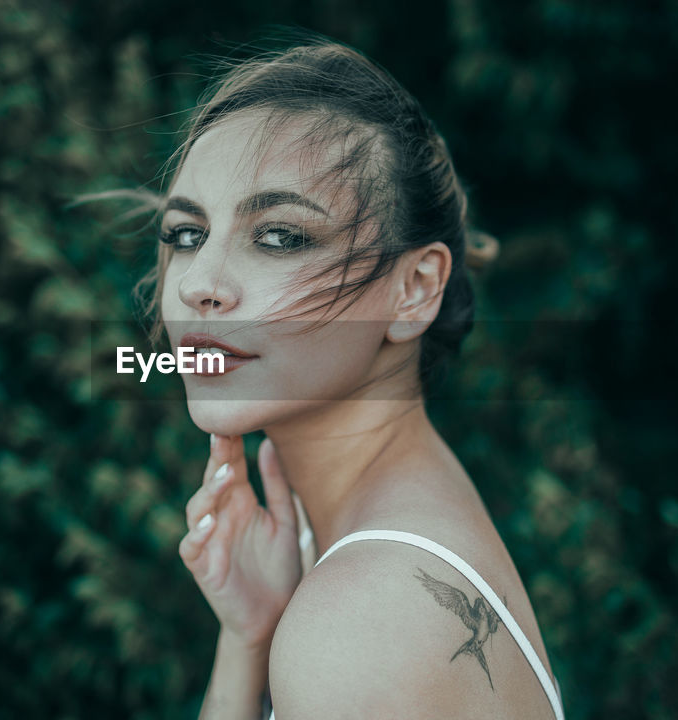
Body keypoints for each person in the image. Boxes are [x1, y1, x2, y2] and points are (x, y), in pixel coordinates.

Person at [136, 35, 562, 719]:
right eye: (187, 235)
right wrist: (248, 637)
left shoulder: (363, 619)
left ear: (415, 288)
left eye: (279, 236)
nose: (201, 286)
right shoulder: (382, 546)